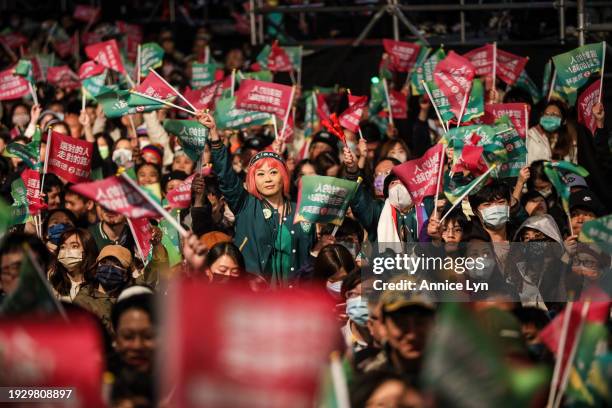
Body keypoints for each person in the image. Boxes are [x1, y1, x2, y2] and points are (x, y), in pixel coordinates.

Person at [199, 112, 314, 287]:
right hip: (252, 296)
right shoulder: (246, 204)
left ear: (283, 177)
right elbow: (226, 176)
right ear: (253, 180)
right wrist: (214, 135)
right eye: (260, 174)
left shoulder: (302, 211)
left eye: (273, 172)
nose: (267, 179)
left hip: (292, 300)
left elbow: (307, 261)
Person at [74, 245, 134, 333]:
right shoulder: (84, 299)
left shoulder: (128, 300)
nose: (109, 268)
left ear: (125, 275)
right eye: (104, 262)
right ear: (97, 266)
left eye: (117, 265)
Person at [48, 228, 98, 302]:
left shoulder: (98, 285)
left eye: (74, 246)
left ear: (87, 250)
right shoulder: (53, 282)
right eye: (63, 247)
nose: (67, 251)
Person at [526, 99, 576, 165]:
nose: (549, 117)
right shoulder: (531, 136)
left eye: (555, 115)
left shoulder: (570, 140)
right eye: (546, 114)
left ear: (563, 120)